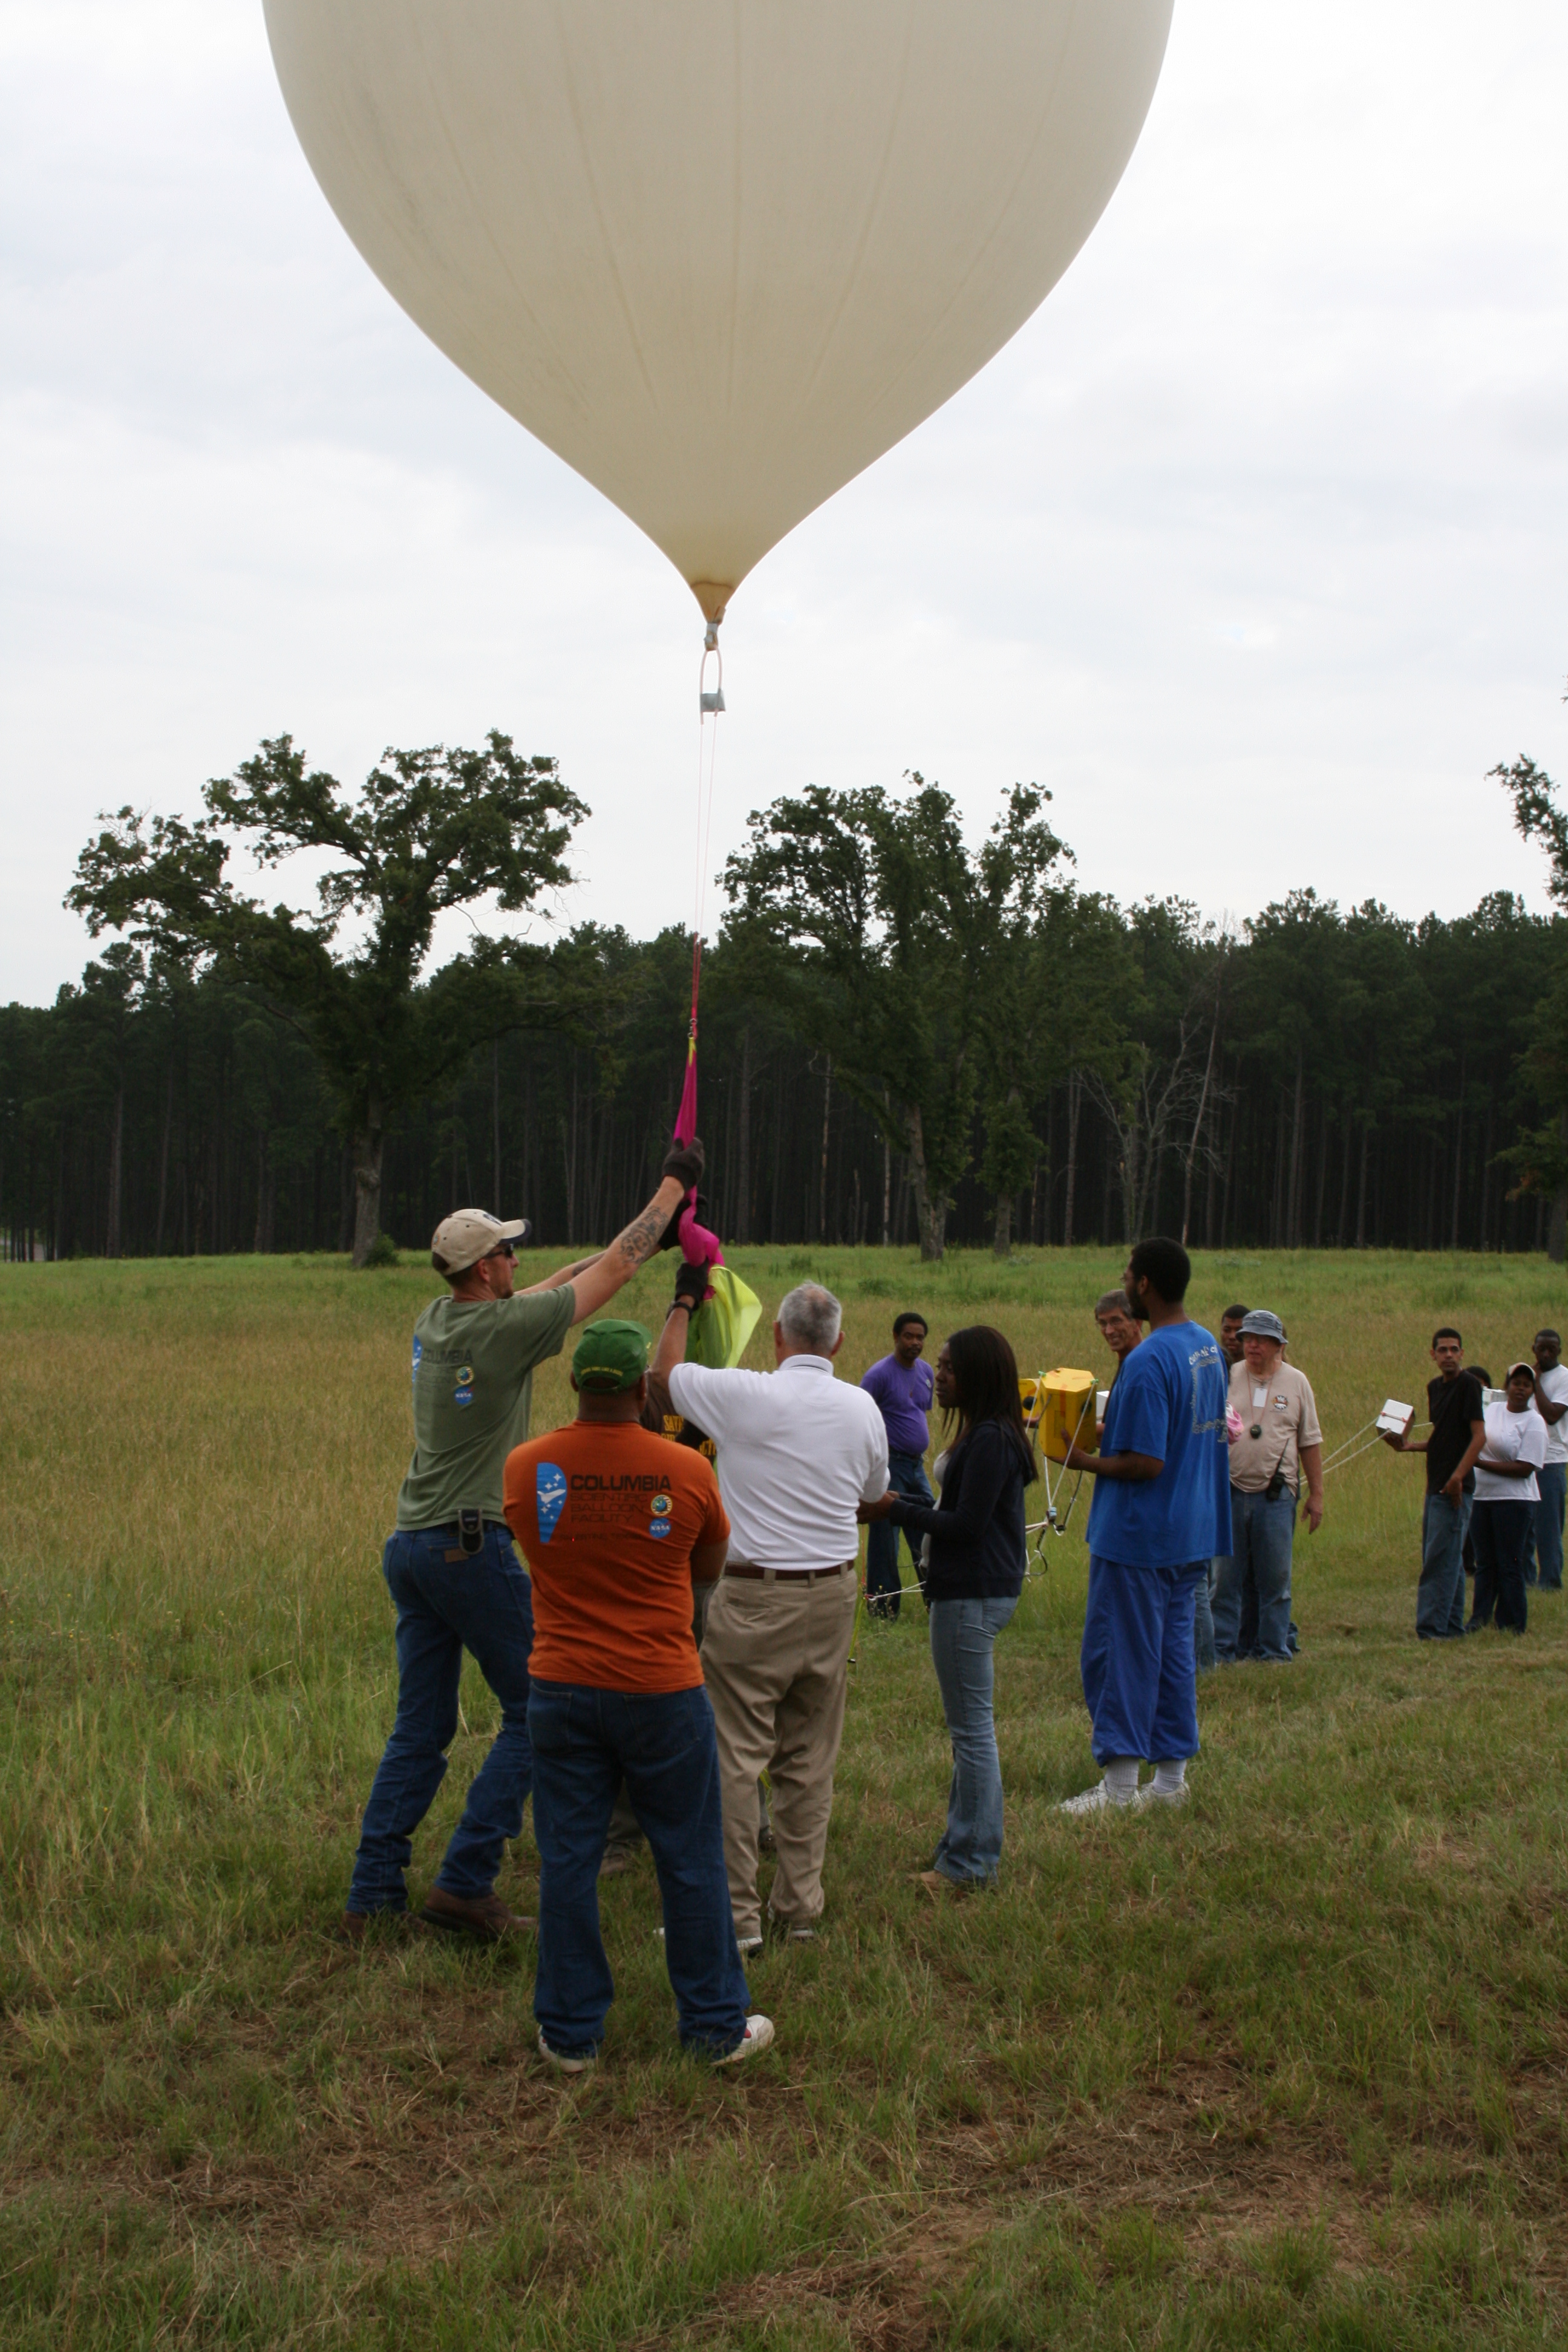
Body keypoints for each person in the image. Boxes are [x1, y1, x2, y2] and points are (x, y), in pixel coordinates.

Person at [341, 1141, 707, 1942]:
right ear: (485, 1270)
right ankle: (466, 1882)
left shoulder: (440, 1319)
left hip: (413, 1546)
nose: (518, 1259)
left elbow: (577, 1277)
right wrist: (673, 1186)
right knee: (540, 1713)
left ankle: (372, 1894)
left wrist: (650, 1240)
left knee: (419, 1729)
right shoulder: (503, 1331)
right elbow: (609, 1275)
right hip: (470, 1550)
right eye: (507, 1251)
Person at [502, 1315, 773, 2069]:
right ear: (641, 1390)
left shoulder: (526, 1467)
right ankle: (714, 2025)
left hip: (560, 1686)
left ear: (573, 1383)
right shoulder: (686, 1470)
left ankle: (570, 2032)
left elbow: (537, 1553)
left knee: (568, 1859)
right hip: (662, 1688)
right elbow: (708, 1566)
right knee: (689, 1856)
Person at [652, 1284, 888, 1952]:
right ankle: (799, 1908)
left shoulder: (743, 1394)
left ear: (777, 1337)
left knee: (733, 1757)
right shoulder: (863, 1407)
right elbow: (873, 1494)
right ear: (839, 1344)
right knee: (809, 1756)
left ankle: (734, 1918)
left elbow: (664, 1377)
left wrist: (684, 1302)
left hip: (756, 1595)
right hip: (834, 1593)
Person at [1057, 1238, 1230, 1812]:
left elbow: (1147, 1461)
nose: (1125, 1280)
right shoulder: (1206, 1346)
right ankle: (1171, 1783)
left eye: (1128, 1274)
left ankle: (1120, 1788)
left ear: (1145, 1285)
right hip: (1192, 1529)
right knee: (1174, 1657)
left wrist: (1081, 1461)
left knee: (1120, 1654)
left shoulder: (1148, 1359)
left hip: (1139, 1537)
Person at [858, 1327, 1033, 1894]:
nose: (939, 1376)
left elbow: (966, 1526)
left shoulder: (990, 1440)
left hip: (970, 1594)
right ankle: (961, 1846)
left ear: (978, 1374)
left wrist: (893, 1511)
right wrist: (897, 1504)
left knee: (972, 1733)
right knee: (968, 1731)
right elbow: (952, 1509)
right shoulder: (991, 1434)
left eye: (950, 1367)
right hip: (973, 1590)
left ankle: (971, 1864)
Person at [1210, 1310, 1324, 1665]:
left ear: (1279, 1345)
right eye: (1248, 1338)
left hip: (1277, 1495)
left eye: (1261, 1340)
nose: (1252, 1345)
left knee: (1275, 1579)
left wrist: (1317, 1494)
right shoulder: (1227, 1375)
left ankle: (1274, 1652)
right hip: (1229, 1491)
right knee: (1224, 1580)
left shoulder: (1297, 1382)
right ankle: (1222, 1651)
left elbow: (1309, 1441)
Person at [1380, 1327, 1486, 1642]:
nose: (1449, 1355)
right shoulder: (1434, 1388)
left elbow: (1479, 1437)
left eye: (1454, 1350)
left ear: (1462, 1354)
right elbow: (1444, 1437)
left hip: (1455, 1488)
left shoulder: (1469, 1385)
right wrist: (1408, 1446)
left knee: (1439, 1561)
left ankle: (1431, 1629)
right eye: (1443, 1350)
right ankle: (1451, 1627)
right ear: (1433, 1355)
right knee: (1448, 1560)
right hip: (1436, 1482)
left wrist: (1458, 1477)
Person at [860, 1313, 936, 1619]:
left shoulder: (926, 1372)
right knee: (885, 1537)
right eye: (908, 1336)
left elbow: (918, 1412)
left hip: (917, 1467)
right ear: (895, 1337)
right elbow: (861, 1418)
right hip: (890, 1465)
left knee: (928, 1530)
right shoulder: (879, 1375)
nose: (915, 1342)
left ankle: (936, 1601)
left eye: (920, 1337)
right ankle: (883, 1607)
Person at [1466, 1362, 1546, 1636]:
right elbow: (1474, 1437)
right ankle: (1479, 1617)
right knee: (1485, 1562)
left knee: (1509, 1562)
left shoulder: (1534, 1423)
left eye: (1526, 1385)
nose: (1520, 1389)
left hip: (1515, 1502)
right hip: (1482, 1497)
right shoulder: (1493, 1410)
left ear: (1533, 1391)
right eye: (1516, 1383)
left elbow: (1525, 1469)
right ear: (1507, 1386)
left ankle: (1512, 1622)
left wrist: (1479, 1463)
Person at [1527, 1329, 1568, 1592]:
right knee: (1524, 1523)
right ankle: (1526, 1577)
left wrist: (1537, 1383)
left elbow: (1552, 1415)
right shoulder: (1526, 1375)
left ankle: (1550, 1581)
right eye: (1541, 1348)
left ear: (1559, 1351)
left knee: (1549, 1526)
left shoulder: (1564, 1378)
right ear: (1534, 1349)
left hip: (1552, 1461)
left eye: (1551, 1349)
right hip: (1525, 1459)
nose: (1545, 1354)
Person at [1218, 1305, 1250, 1369]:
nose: (1232, 1337)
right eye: (1227, 1330)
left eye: (1239, 1331)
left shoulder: (1260, 1369)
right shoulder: (1212, 1365)